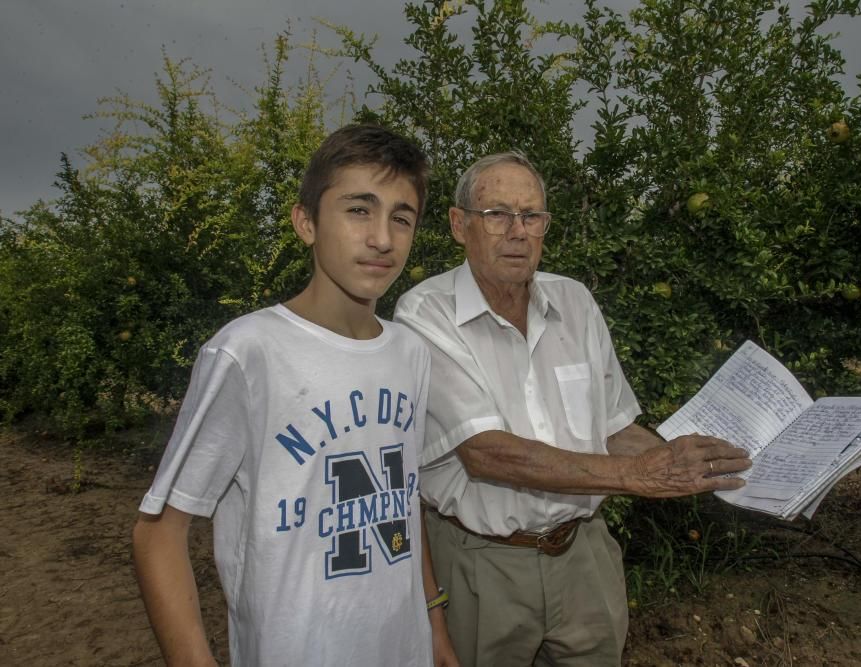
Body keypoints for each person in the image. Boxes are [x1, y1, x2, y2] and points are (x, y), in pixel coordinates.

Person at [393, 151, 751, 666]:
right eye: (497, 214)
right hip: (483, 567)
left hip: (585, 557)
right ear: (458, 224)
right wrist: (638, 476)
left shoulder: (576, 303)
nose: (517, 231)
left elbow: (614, 428)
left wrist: (701, 462)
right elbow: (487, 453)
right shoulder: (426, 314)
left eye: (531, 215)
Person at [132, 124, 458, 667]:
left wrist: (433, 621)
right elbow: (159, 535)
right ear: (305, 222)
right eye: (359, 209)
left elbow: (401, 497)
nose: (383, 237)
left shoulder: (411, 354)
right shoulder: (248, 353)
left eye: (402, 217)